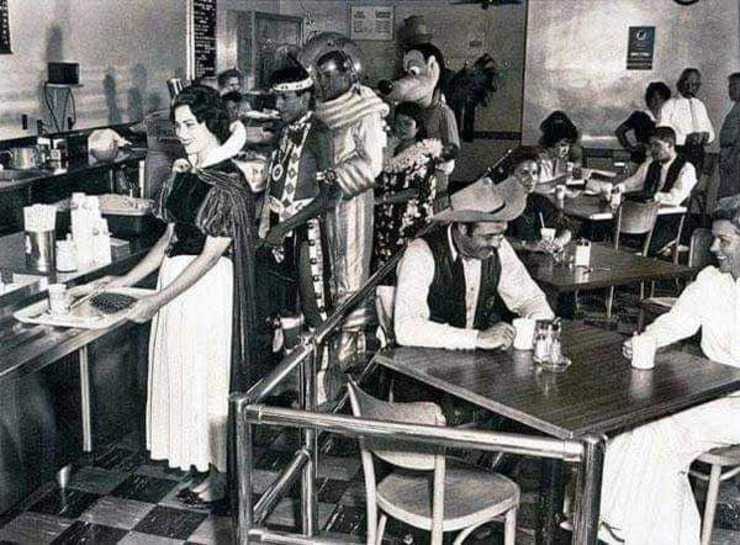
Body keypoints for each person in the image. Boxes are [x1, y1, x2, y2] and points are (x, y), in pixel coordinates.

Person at [75, 85, 258, 505]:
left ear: (212, 124)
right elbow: (169, 241)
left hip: (206, 292)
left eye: (191, 124)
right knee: (187, 378)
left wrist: (155, 301)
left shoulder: (228, 181)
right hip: (177, 287)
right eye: (179, 126)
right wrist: (124, 282)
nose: (184, 133)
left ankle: (222, 475)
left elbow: (210, 256)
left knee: (209, 380)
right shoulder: (187, 174)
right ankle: (206, 467)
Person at [597, 201, 740, 545]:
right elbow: (676, 322)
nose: (714, 248)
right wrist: (644, 342)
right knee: (634, 427)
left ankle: (612, 524)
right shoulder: (711, 281)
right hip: (710, 396)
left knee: (657, 434)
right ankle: (639, 533)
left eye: (724, 241)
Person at [305, 42, 389, 377]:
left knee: (349, 269)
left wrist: (332, 177)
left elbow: (371, 165)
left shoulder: (366, 110)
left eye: (329, 76)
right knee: (324, 269)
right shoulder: (323, 111)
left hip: (351, 200)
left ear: (348, 74)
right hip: (324, 200)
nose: (323, 84)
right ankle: (326, 344)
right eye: (319, 78)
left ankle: (350, 350)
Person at [394, 177, 554, 350]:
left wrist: (538, 327)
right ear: (463, 228)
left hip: (476, 363)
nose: (496, 243)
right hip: (423, 362)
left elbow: (531, 299)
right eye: (488, 237)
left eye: (501, 235)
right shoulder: (421, 253)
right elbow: (406, 328)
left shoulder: (498, 248)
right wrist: (477, 338)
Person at [258, 65, 335, 330]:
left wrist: (284, 227)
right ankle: (290, 367)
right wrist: (266, 222)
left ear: (304, 97)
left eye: (284, 98)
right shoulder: (284, 130)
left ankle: (323, 369)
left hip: (305, 230)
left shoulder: (319, 133)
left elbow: (328, 197)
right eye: (275, 98)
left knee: (315, 309)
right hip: (277, 228)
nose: (278, 105)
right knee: (282, 309)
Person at [594, 126, 697, 255]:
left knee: (644, 248)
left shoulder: (687, 168)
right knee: (598, 226)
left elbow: (675, 198)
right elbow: (634, 182)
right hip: (643, 216)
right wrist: (618, 188)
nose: (652, 150)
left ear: (670, 144)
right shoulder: (650, 163)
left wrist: (650, 196)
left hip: (668, 221)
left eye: (656, 145)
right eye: (651, 145)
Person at [372, 102, 443, 271]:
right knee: (384, 265)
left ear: (418, 127)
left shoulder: (423, 154)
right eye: (398, 123)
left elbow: (416, 191)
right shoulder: (391, 148)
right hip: (387, 219)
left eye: (407, 124)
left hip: (409, 220)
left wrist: (381, 200)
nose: (401, 128)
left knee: (405, 266)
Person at [500, 146, 575, 251]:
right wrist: (526, 245)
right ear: (510, 175)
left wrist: (558, 242)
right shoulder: (499, 202)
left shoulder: (538, 201)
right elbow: (495, 238)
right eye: (524, 173)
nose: (531, 179)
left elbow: (566, 229)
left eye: (534, 173)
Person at [658, 68, 715, 175]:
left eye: (694, 84)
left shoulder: (700, 105)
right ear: (679, 84)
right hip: (678, 153)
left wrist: (708, 136)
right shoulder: (669, 105)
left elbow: (711, 132)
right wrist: (685, 139)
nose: (690, 87)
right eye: (687, 83)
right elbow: (661, 134)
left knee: (693, 187)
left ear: (698, 86)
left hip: (698, 155)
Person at [615, 81, 671, 165]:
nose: (657, 101)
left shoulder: (668, 117)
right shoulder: (639, 116)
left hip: (661, 161)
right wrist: (630, 148)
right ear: (648, 99)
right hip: (641, 159)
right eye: (654, 98)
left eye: (660, 98)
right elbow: (619, 131)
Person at [537, 111, 581, 184]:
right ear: (551, 144)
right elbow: (538, 188)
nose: (566, 150)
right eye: (563, 145)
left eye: (568, 145)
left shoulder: (560, 161)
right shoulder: (540, 162)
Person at [718, 72, 740, 199]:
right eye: (730, 86)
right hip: (728, 155)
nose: (730, 89)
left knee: (730, 198)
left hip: (735, 157)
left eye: (735, 86)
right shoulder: (736, 107)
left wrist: (731, 158)